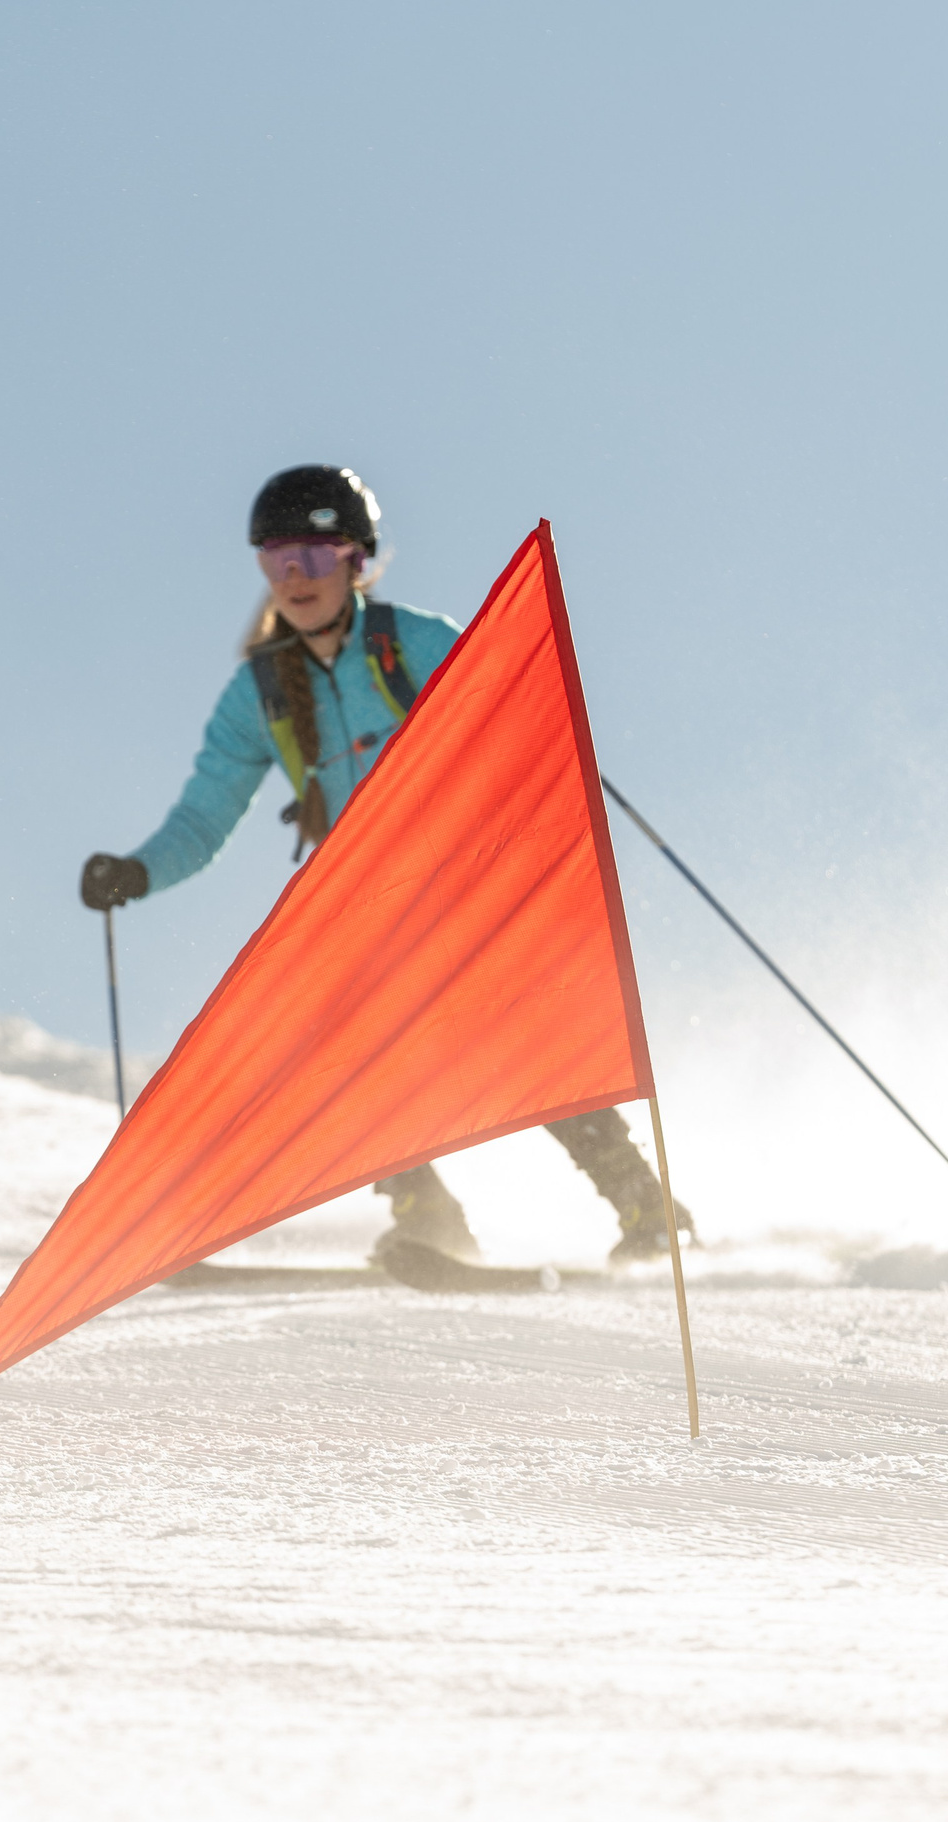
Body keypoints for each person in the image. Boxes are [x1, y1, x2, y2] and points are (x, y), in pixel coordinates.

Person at [79, 464, 690, 1271]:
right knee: (331, 1047)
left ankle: (648, 1212)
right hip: (368, 907)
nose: (294, 577)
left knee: (517, 1040)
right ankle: (428, 1219)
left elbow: (511, 721)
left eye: (315, 557)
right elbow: (204, 817)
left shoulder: (415, 645)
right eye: (276, 560)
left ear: (357, 560)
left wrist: (556, 757)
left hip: (464, 887)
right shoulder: (260, 695)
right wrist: (137, 873)